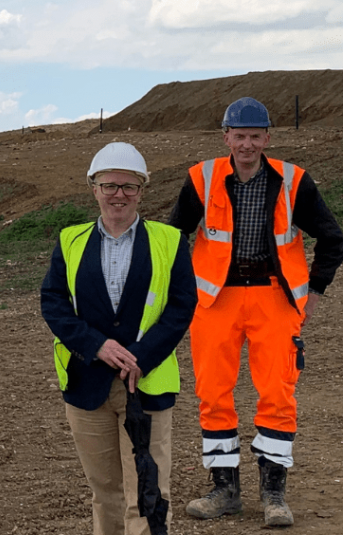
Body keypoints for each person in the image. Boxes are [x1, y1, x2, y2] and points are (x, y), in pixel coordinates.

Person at [169, 97, 343, 527]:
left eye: (254, 136)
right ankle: (224, 490)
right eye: (239, 136)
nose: (246, 144)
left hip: (274, 298)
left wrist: (313, 292)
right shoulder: (201, 178)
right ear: (225, 136)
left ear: (267, 138)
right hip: (215, 301)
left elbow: (332, 237)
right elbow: (172, 237)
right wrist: (179, 294)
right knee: (212, 394)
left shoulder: (293, 180)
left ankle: (274, 495)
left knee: (278, 395)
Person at [41, 142, 197, 535]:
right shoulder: (69, 241)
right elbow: (54, 303)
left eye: (129, 187)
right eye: (109, 186)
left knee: (148, 492)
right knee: (105, 492)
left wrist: (140, 357)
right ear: (94, 188)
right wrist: (96, 345)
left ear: (142, 191)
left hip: (146, 386)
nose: (118, 195)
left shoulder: (170, 241)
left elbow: (181, 307)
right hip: (86, 385)